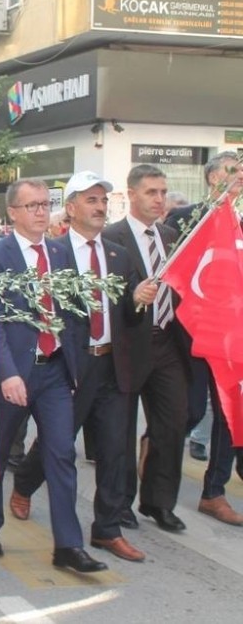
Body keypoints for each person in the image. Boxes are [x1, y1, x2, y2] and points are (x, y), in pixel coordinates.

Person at [10, 172, 151, 562]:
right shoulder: (53, 254)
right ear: (70, 208)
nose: (100, 207)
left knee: (114, 449)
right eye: (91, 200)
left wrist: (137, 300)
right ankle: (24, 483)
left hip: (112, 365)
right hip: (71, 367)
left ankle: (107, 529)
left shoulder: (119, 255)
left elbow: (129, 315)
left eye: (103, 200)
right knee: (57, 443)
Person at [0, 178, 107, 573]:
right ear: (12, 212)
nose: (40, 211)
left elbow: (75, 312)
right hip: (13, 374)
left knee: (62, 453)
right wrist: (7, 373)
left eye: (45, 204)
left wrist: (75, 366)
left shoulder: (61, 252)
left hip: (55, 372)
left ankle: (68, 545)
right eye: (31, 205)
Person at [103, 165, 192, 533]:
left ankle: (159, 502)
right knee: (121, 429)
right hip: (128, 344)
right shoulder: (111, 238)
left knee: (172, 424)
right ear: (132, 194)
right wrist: (133, 299)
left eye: (163, 192)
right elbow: (105, 299)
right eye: (151, 192)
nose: (159, 199)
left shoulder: (171, 236)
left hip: (168, 343)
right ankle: (121, 502)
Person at [164, 151, 243, 526]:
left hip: (230, 335)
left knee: (229, 413)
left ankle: (214, 492)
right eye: (233, 171)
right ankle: (157, 456)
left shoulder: (240, 222)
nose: (240, 177)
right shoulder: (186, 218)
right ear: (214, 178)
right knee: (192, 410)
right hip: (191, 332)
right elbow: (170, 272)